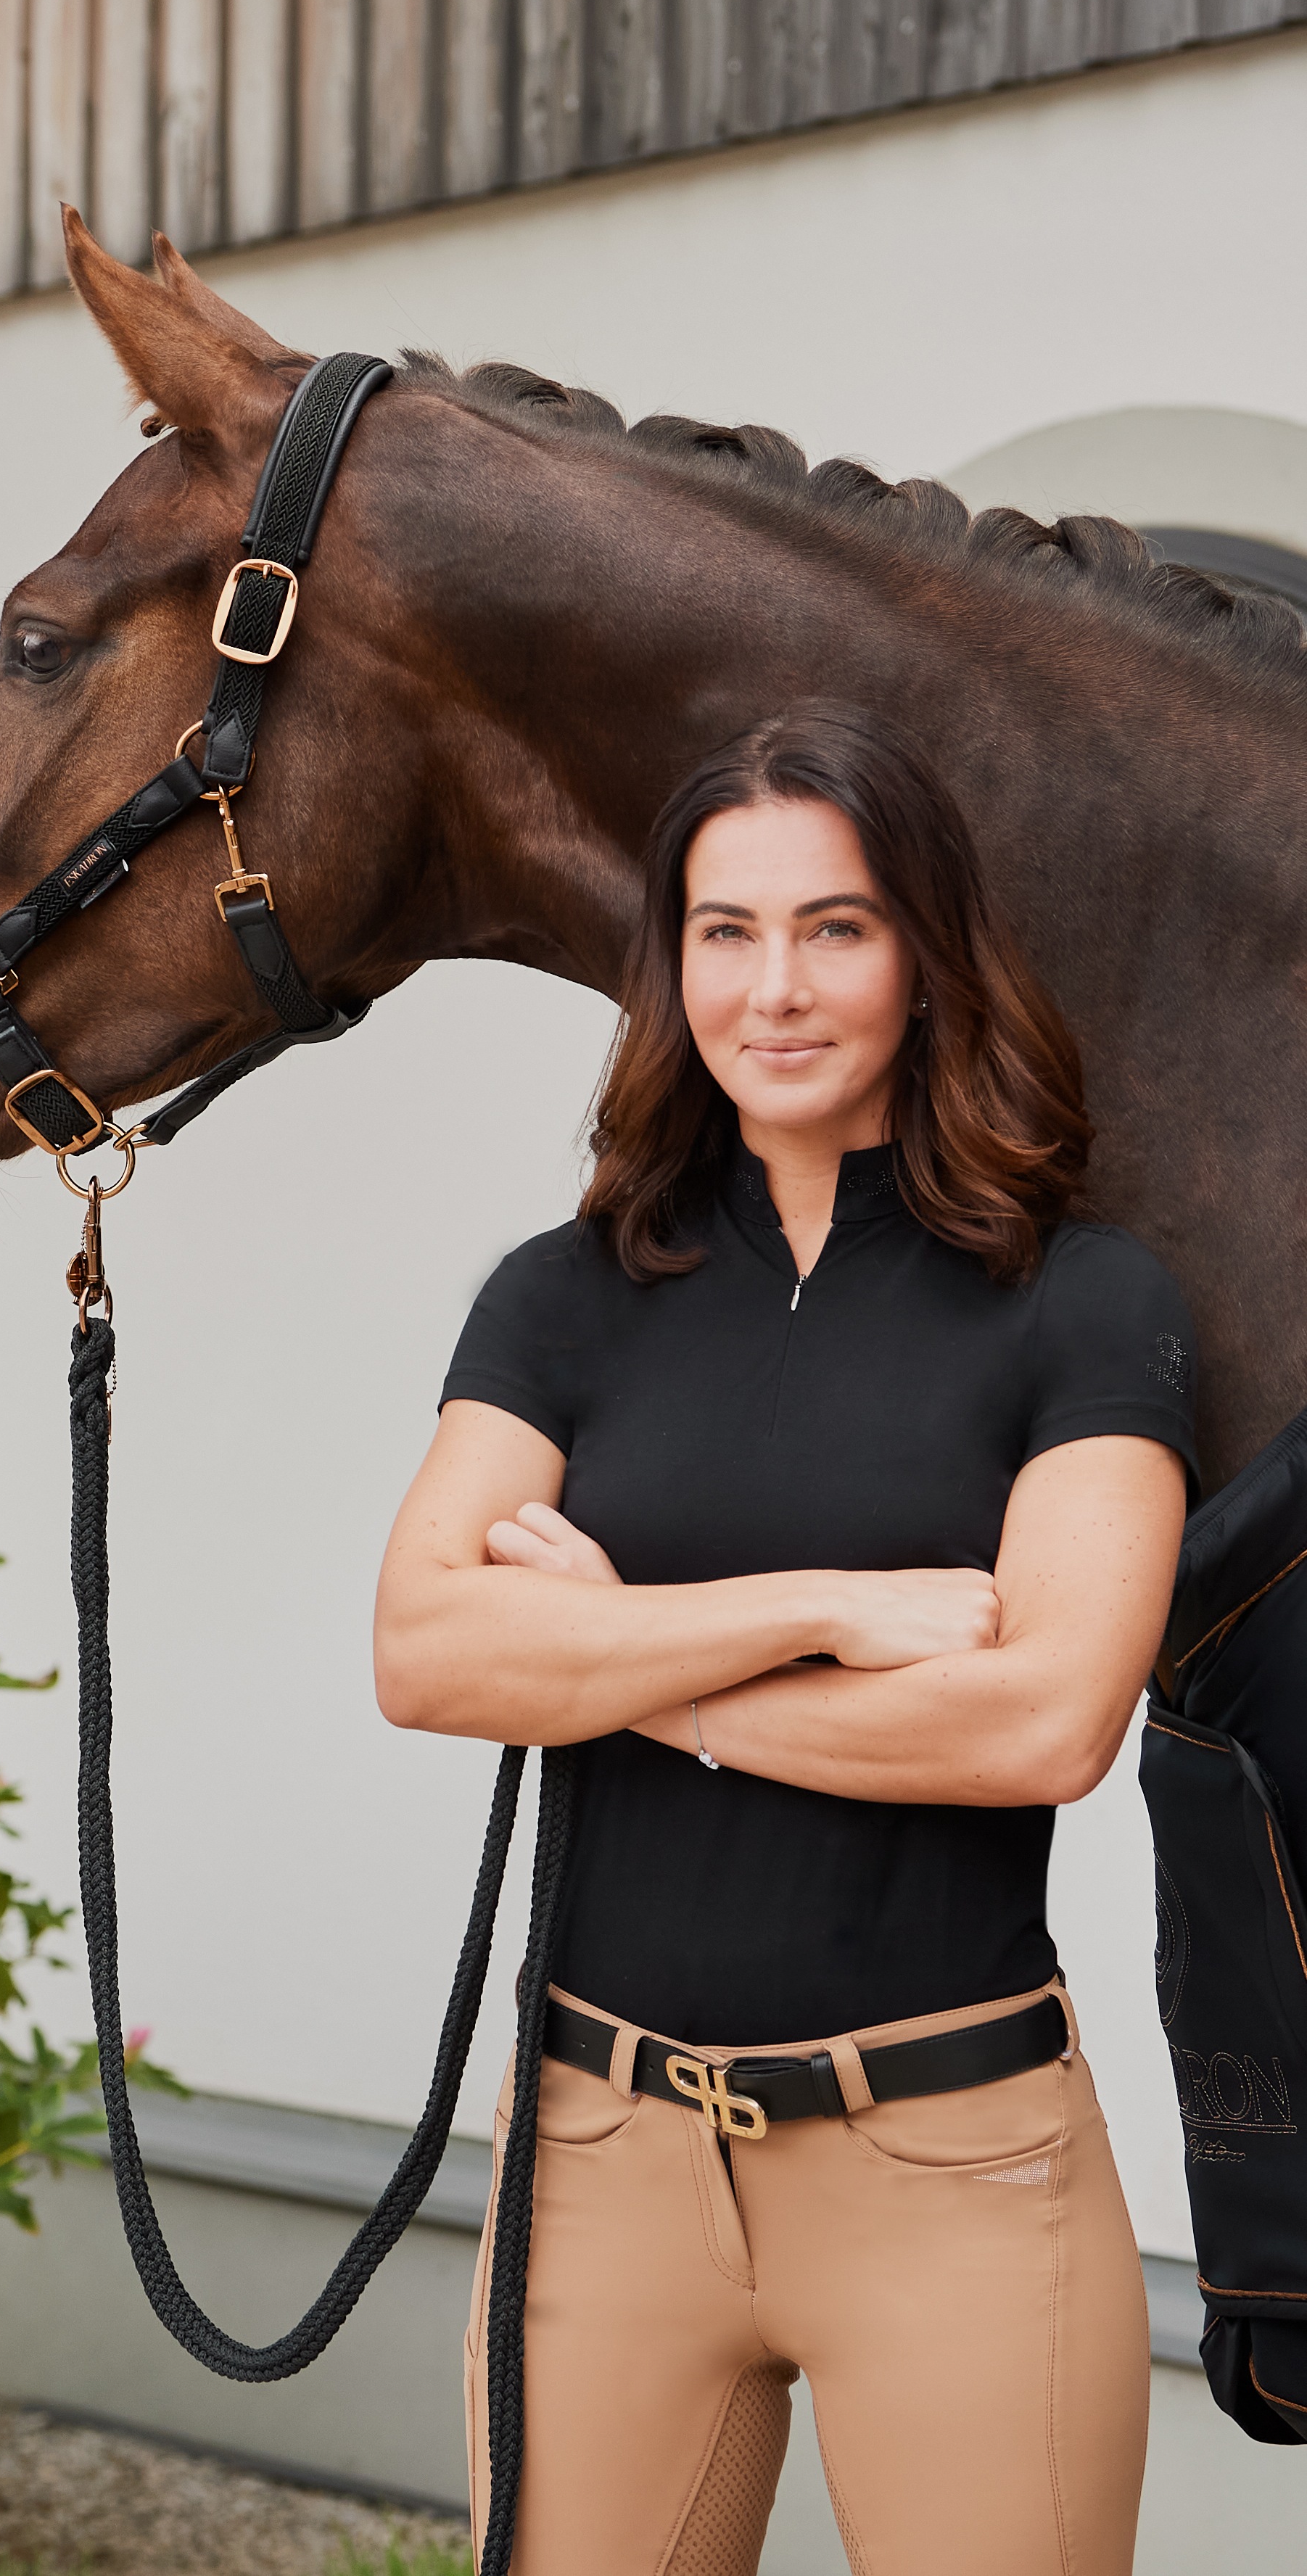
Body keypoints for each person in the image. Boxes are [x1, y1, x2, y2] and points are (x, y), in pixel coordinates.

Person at [373, 701, 1195, 2576]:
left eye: (837, 925)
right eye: (724, 932)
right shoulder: (569, 1294)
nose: (777, 987)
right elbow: (427, 1651)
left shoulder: (1084, 1301)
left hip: (955, 2163)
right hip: (596, 2156)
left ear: (928, 949)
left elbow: (1045, 1720)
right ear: (669, 967)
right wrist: (824, 1615)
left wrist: (624, 1668)